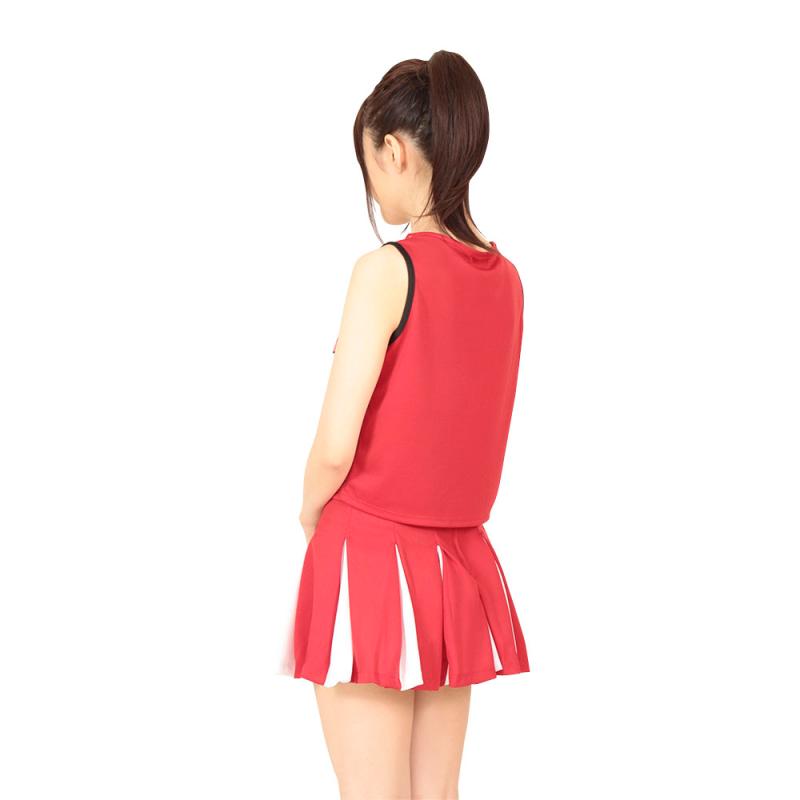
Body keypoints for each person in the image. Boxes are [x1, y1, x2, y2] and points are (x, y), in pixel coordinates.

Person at [278, 49, 531, 799]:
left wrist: (310, 514)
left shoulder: (387, 271)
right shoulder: (507, 281)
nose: (372, 187)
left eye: (369, 164)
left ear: (393, 150)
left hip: (368, 554)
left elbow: (335, 446)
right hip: (456, 566)